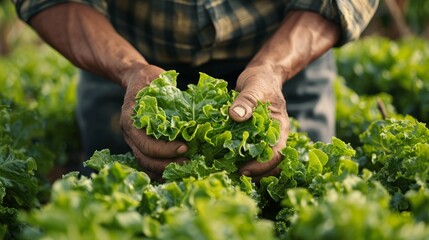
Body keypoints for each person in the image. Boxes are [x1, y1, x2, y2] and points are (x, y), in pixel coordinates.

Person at [13, 0, 379, 181]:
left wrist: (273, 68)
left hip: (287, 54)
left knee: (295, 197)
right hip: (119, 56)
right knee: (118, 200)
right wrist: (130, 70)